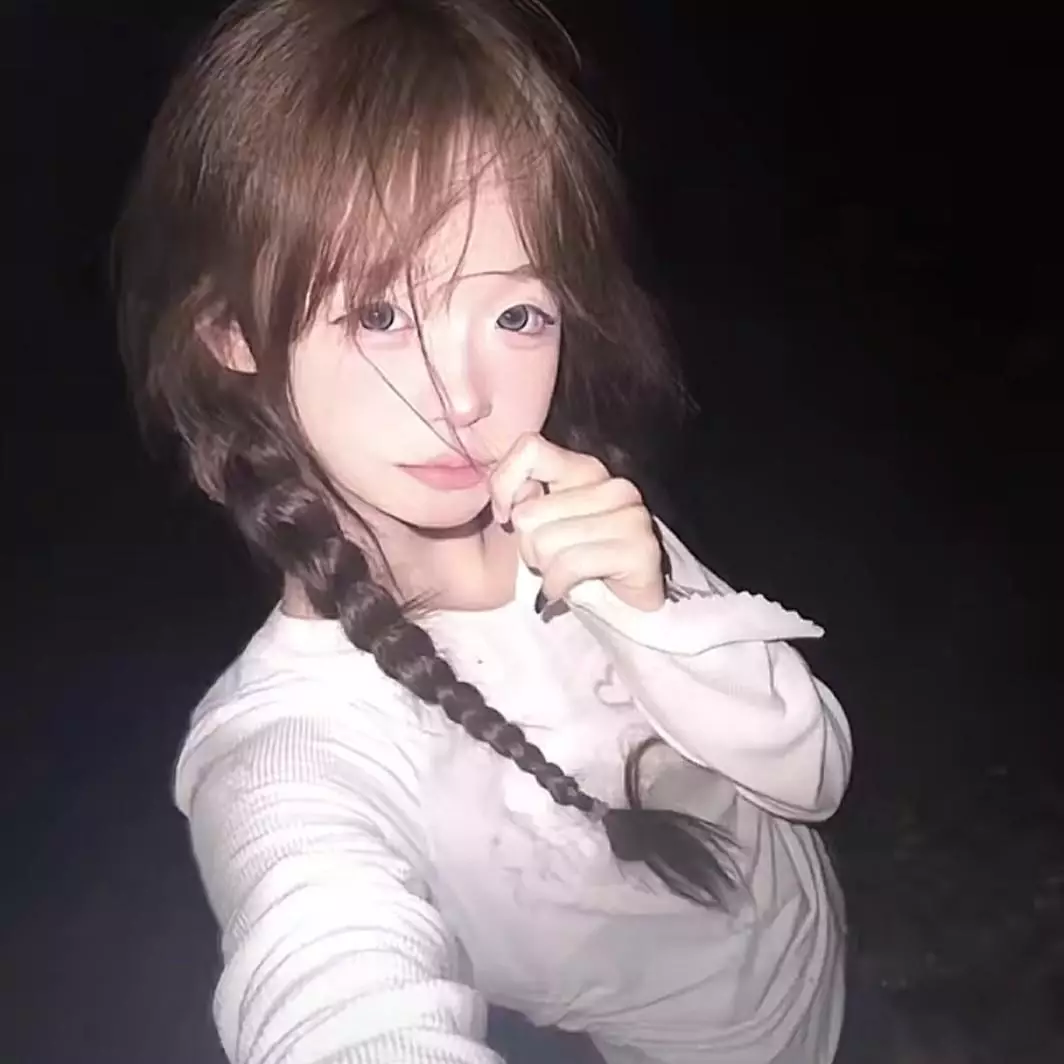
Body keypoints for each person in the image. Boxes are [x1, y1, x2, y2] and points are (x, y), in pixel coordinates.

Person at [113, 1, 853, 1061]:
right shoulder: (291, 749)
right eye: (380, 314)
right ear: (231, 331)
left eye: (515, 315)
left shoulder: (583, 525)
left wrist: (652, 619)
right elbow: (329, 982)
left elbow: (810, 779)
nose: (464, 396)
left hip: (837, 984)